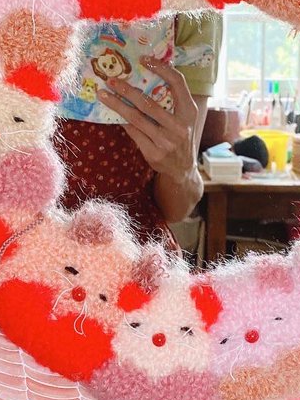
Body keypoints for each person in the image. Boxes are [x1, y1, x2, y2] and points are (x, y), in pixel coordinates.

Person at [56, 13, 222, 246]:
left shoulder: (194, 4)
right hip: (20, 245)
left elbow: (176, 209)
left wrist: (181, 171)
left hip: (132, 252)